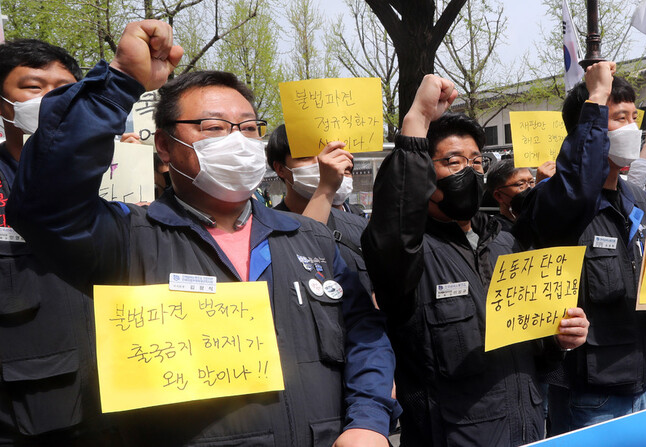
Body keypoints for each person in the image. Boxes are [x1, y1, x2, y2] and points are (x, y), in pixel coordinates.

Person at [7, 20, 397, 446]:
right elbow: (46, 206)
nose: (238, 141)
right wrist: (119, 81)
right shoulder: (129, 240)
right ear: (165, 146)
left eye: (249, 128)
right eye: (213, 128)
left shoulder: (311, 239)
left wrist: (368, 421)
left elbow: (365, 335)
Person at [361, 70, 594, 445]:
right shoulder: (409, 255)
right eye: (452, 162)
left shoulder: (508, 243)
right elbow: (394, 223)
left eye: (476, 162)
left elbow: (537, 350)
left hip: (528, 430)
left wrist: (560, 339)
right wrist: (416, 120)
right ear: (425, 174)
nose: (467, 171)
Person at [528, 75, 646, 435]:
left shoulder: (637, 200)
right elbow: (576, 187)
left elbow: (645, 285)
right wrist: (596, 93)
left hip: (642, 383)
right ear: (588, 130)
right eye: (619, 117)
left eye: (635, 117)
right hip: (588, 395)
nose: (632, 128)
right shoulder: (557, 202)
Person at [0, 37, 114, 445]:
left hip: (124, 393)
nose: (50, 99)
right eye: (33, 86)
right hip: (27, 414)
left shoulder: (121, 173)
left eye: (63, 89)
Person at [265, 125, 374, 295]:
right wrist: (325, 188)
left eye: (329, 153)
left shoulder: (359, 227)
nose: (324, 162)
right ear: (280, 169)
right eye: (306, 157)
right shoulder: (269, 231)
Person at [484, 159, 536, 231]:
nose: (529, 188)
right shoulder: (497, 231)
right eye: (520, 184)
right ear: (499, 196)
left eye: (531, 182)